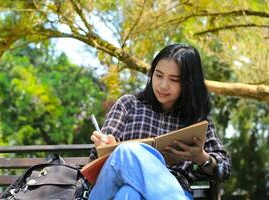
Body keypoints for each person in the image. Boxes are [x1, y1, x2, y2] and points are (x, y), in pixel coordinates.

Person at [89, 44, 232, 200]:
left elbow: (224, 169)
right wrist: (107, 149)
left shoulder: (196, 120)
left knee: (129, 194)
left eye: (174, 79)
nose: (163, 85)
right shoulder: (129, 105)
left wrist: (201, 157)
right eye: (158, 75)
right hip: (112, 189)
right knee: (124, 153)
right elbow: (96, 165)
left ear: (189, 83)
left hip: (174, 187)